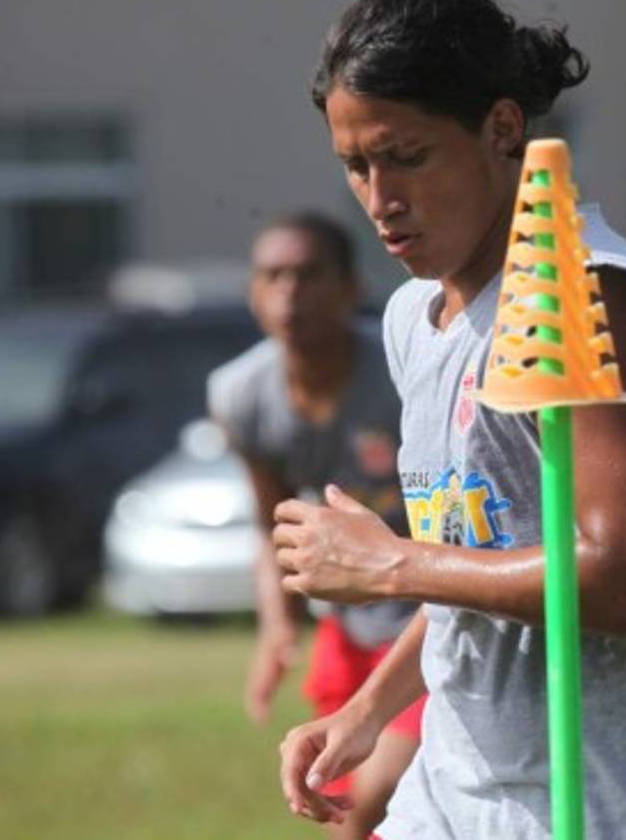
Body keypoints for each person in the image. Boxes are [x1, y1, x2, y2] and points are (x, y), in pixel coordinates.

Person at [272, 0, 626, 839]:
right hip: (457, 797)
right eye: (356, 166)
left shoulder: (586, 295)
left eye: (407, 156)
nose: (380, 199)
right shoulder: (413, 317)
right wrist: (368, 707)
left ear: (504, 129)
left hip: (623, 805)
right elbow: (482, 564)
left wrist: (392, 564)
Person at [207, 210, 425, 840]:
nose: (290, 292)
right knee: (338, 804)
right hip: (348, 627)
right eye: (273, 276)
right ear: (253, 293)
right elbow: (270, 523)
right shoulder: (241, 394)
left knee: (378, 791)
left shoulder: (401, 371)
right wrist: (277, 628)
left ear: (351, 288)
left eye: (307, 275)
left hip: (428, 619)